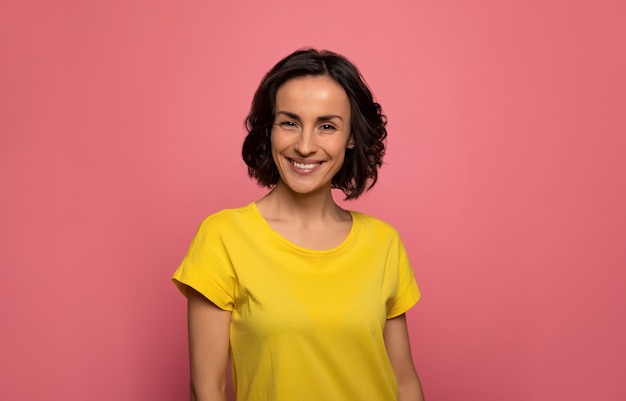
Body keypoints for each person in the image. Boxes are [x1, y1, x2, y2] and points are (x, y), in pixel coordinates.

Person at [172, 48, 425, 401]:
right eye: (289, 123)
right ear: (269, 130)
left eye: (327, 126)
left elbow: (404, 382)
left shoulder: (383, 242)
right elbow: (206, 389)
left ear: (352, 137)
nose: (305, 146)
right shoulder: (223, 237)